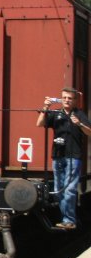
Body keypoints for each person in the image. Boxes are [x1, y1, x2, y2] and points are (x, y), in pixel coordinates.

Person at [36, 87, 91, 229]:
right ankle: (65, 218)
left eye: (70, 98)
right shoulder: (56, 114)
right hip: (57, 155)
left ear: (75, 100)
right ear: (61, 99)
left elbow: (89, 132)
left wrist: (79, 124)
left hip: (74, 156)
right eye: (64, 98)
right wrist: (45, 107)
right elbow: (40, 123)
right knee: (59, 189)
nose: (67, 100)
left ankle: (69, 220)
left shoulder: (79, 114)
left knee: (70, 189)